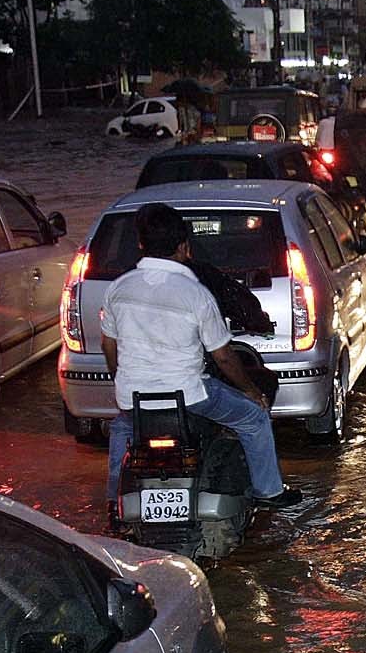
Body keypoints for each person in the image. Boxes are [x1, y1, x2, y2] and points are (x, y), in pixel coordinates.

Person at [100, 203, 302, 511]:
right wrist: (251, 392)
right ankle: (269, 490)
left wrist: (124, 380)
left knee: (122, 428)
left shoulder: (118, 288)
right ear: (184, 247)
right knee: (253, 418)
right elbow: (223, 357)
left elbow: (109, 347)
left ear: (141, 244)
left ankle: (114, 501)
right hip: (190, 395)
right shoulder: (195, 293)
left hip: (134, 397)